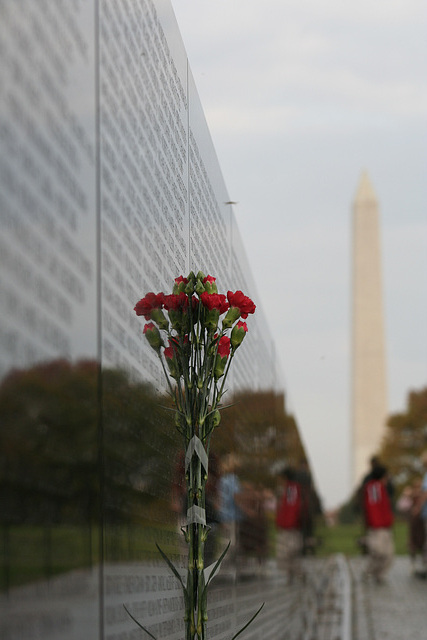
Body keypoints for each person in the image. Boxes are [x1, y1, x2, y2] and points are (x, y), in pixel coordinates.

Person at [362, 464, 394, 583]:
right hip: (378, 526)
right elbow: (373, 506)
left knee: (388, 554)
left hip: (385, 526)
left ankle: (378, 574)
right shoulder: (374, 487)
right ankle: (370, 572)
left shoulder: (381, 487)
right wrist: (376, 523)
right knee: (380, 552)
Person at [275, 467, 303, 582]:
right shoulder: (290, 488)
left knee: (289, 551)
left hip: (289, 525)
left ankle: (298, 573)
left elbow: (291, 507)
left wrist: (286, 522)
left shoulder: (291, 488)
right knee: (290, 552)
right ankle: (291, 575)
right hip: (289, 524)